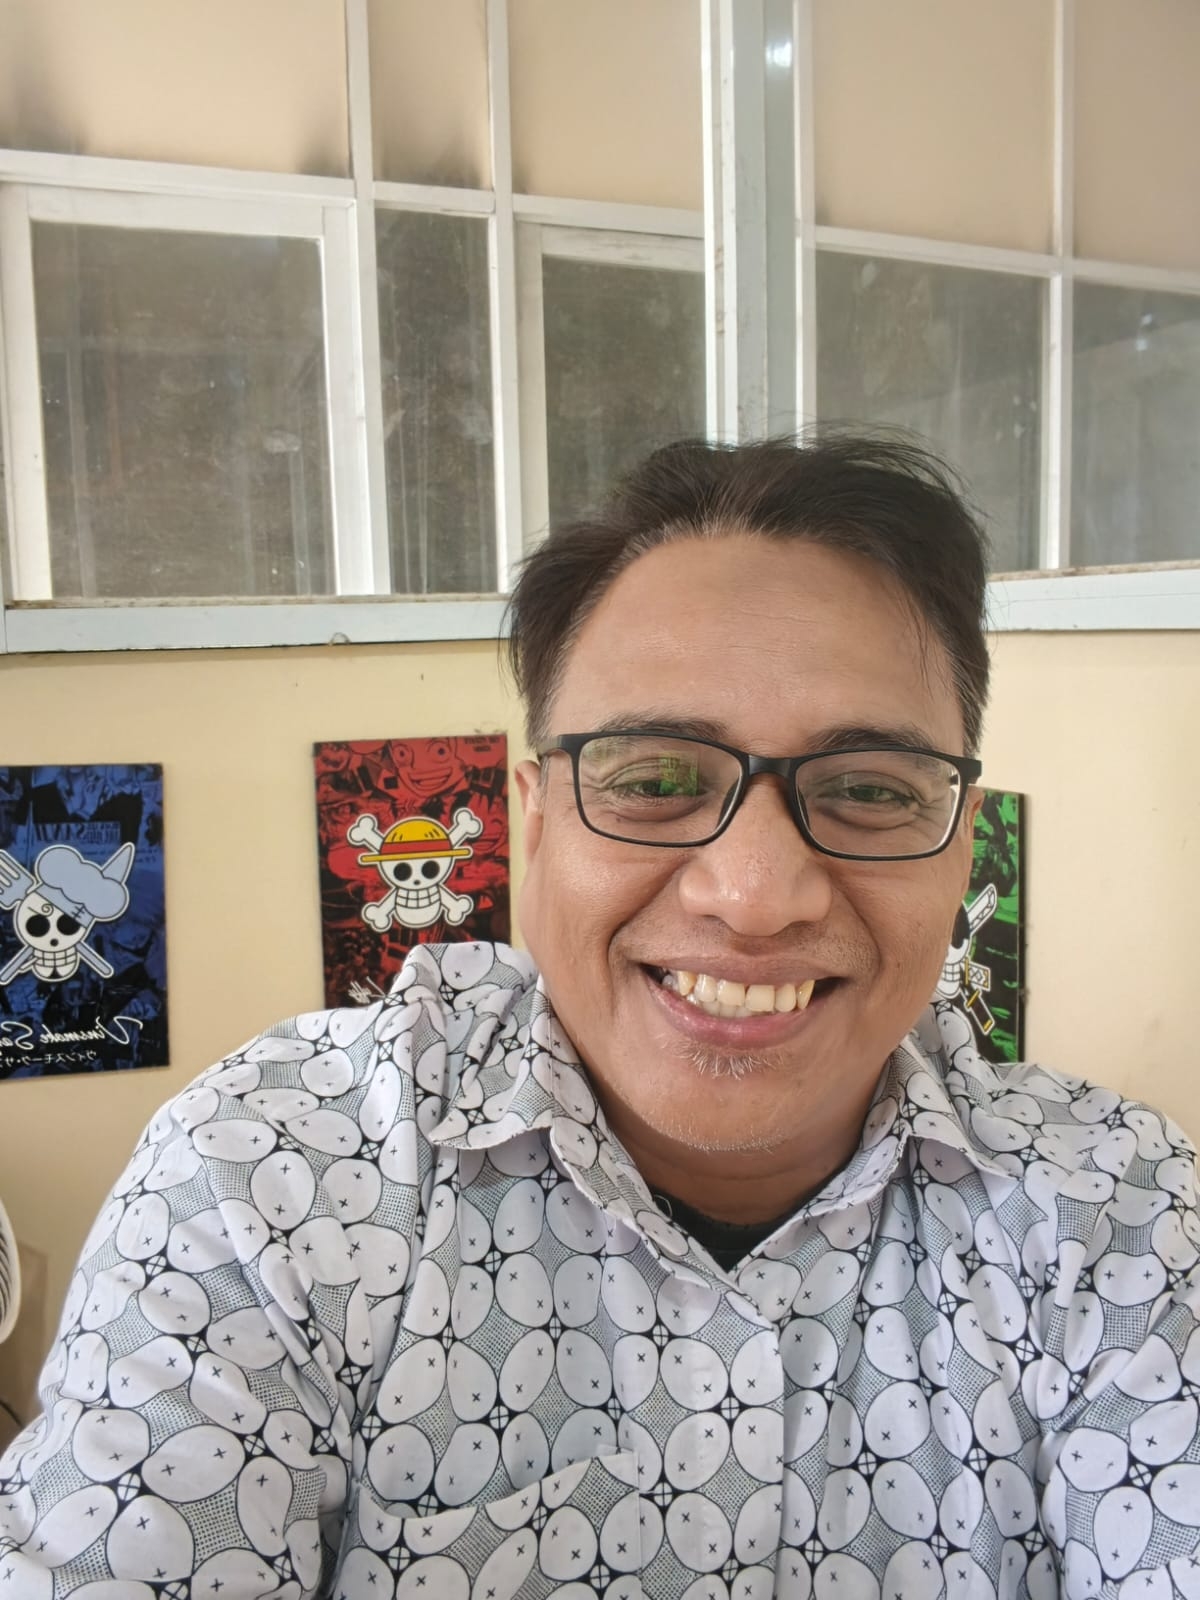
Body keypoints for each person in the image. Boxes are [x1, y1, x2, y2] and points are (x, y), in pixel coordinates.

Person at [2, 435, 1198, 1599]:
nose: (755, 896)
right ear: (533, 820)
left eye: (870, 789)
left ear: (960, 842)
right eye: (655, 779)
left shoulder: (1121, 1219)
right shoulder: (269, 1180)